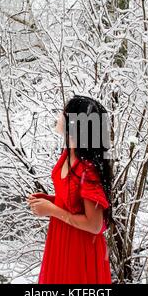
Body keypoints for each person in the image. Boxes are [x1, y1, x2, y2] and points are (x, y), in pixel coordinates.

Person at [27, 94, 113, 284]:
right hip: (60, 238)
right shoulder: (68, 153)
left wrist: (52, 210)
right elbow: (73, 200)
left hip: (80, 248)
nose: (59, 116)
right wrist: (50, 200)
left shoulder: (88, 170)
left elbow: (95, 224)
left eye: (64, 113)